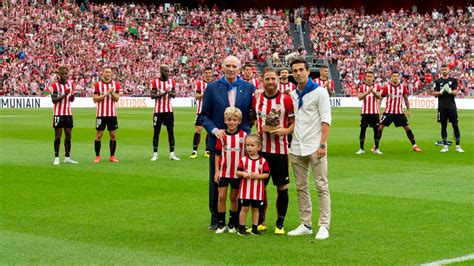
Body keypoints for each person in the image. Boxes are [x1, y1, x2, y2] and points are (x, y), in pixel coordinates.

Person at [200, 55, 256, 230]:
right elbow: (203, 116)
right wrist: (215, 130)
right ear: (222, 68)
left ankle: (236, 219)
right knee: (217, 181)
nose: (231, 69)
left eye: (234, 66)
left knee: (239, 182)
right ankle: (216, 219)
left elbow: (250, 116)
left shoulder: (248, 87)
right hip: (219, 142)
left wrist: (247, 133)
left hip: (241, 144)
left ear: (240, 69)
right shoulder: (212, 87)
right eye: (228, 66)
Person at [287, 57, 331, 240]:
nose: (298, 73)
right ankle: (305, 223)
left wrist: (322, 144)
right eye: (295, 70)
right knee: (301, 187)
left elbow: (326, 119)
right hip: (297, 145)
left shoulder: (320, 92)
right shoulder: (293, 94)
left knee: (321, 185)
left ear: (307, 71)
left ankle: (324, 225)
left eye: (301, 70)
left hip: (315, 145)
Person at [253, 67, 294, 235]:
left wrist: (285, 131)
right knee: (260, 186)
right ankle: (261, 221)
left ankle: (280, 223)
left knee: (282, 187)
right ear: (262, 80)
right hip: (260, 150)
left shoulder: (286, 99)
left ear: (277, 80)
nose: (270, 82)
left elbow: (294, 123)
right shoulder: (256, 98)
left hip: (280, 150)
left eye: (273, 79)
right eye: (267, 79)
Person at [214, 107, 247, 234]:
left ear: (239, 121)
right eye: (229, 120)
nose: (232, 122)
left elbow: (245, 154)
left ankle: (232, 222)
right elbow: (217, 154)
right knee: (221, 197)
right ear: (225, 121)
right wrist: (217, 172)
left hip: (237, 173)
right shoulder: (222, 136)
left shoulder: (243, 136)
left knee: (234, 198)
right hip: (224, 172)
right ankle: (221, 223)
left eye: (234, 120)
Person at [375, 71, 422, 154]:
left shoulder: (402, 87)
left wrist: (408, 110)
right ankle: (376, 146)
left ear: (399, 77)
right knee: (380, 127)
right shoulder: (387, 87)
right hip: (388, 112)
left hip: (399, 112)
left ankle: (414, 145)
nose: (395, 77)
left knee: (407, 128)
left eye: (397, 76)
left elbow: (406, 99)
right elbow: (381, 98)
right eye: (394, 76)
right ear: (391, 77)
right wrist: (378, 109)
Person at [236, 134, 270, 236]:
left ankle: (254, 228)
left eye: (252, 145)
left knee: (255, 209)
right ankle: (241, 228)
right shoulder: (243, 160)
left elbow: (266, 174)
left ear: (258, 147)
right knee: (244, 208)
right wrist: (244, 174)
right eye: (247, 145)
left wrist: (258, 176)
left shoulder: (263, 161)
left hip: (257, 191)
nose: (249, 148)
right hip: (245, 191)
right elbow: (238, 172)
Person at [150, 65, 180, 161]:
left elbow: (174, 95)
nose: (167, 73)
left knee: (170, 132)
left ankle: (172, 154)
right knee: (156, 132)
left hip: (169, 111)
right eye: (166, 71)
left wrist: (171, 93)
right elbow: (152, 96)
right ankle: (155, 154)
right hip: (158, 111)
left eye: (168, 71)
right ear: (161, 71)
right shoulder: (155, 82)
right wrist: (164, 93)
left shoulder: (172, 82)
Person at [431, 64, 464, 153]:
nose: (444, 70)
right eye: (443, 69)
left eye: (446, 69)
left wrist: (449, 91)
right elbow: (434, 93)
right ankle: (445, 146)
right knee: (443, 126)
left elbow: (455, 92)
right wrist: (441, 92)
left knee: (455, 126)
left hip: (452, 107)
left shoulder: (453, 80)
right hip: (441, 107)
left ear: (448, 70)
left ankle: (458, 146)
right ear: (441, 71)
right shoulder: (437, 81)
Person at [93, 67, 121, 163]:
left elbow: (117, 99)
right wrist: (106, 94)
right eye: (106, 72)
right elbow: (95, 99)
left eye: (109, 72)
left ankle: (112, 156)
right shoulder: (98, 84)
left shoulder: (116, 84)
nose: (108, 73)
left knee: (113, 135)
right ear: (103, 73)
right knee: (99, 135)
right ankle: (97, 156)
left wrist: (111, 92)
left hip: (112, 114)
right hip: (101, 114)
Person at [51, 66, 78, 165]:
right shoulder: (55, 85)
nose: (64, 76)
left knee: (68, 136)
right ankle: (56, 157)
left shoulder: (70, 84)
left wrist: (72, 97)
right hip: (58, 114)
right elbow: (54, 100)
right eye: (62, 74)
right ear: (59, 75)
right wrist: (65, 94)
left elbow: (71, 100)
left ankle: (67, 157)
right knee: (58, 136)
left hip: (68, 113)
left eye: (66, 74)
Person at [356, 70, 382, 154]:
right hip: (365, 112)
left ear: (373, 78)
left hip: (375, 112)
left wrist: (373, 91)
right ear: (365, 78)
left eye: (371, 77)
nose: (369, 78)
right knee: (363, 130)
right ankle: (361, 148)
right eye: (368, 76)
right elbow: (359, 98)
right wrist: (367, 92)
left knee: (376, 130)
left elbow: (379, 97)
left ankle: (376, 148)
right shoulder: (362, 87)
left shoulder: (377, 86)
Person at [190, 67, 213, 159]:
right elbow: (196, 96)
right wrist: (205, 94)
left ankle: (207, 151)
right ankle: (194, 151)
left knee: (209, 131)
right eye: (206, 73)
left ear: (211, 74)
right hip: (200, 111)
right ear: (204, 74)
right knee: (198, 130)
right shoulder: (199, 84)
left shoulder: (214, 84)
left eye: (209, 73)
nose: (208, 74)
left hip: (211, 112)